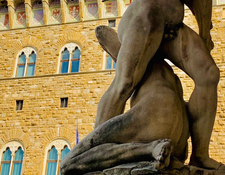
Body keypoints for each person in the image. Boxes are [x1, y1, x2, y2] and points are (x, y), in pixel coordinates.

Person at [79, 0, 225, 172]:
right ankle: (91, 154)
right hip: (146, 15)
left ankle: (200, 155)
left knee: (208, 75)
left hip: (168, 21)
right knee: (125, 82)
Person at [59, 26, 190, 175]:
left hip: (155, 116)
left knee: (67, 164)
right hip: (180, 134)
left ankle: (150, 148)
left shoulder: (138, 56)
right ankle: (154, 149)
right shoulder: (170, 74)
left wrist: (99, 138)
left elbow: (102, 33)